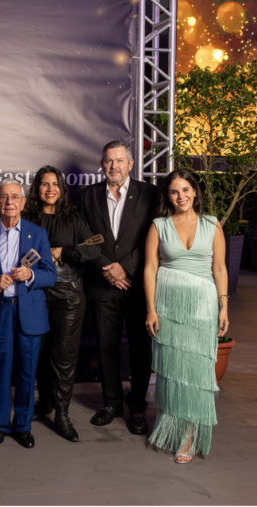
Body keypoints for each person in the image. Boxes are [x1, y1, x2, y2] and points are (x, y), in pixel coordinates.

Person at [144, 170, 228, 464]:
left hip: (203, 305)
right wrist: (151, 309)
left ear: (195, 191)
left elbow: (220, 268)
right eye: (174, 191)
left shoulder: (212, 224)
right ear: (168, 196)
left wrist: (223, 306)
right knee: (172, 369)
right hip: (168, 306)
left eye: (185, 189)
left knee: (196, 370)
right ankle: (172, 425)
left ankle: (189, 434)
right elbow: (150, 269)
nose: (181, 196)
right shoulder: (159, 225)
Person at [0, 178, 57, 448]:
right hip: (0, 312)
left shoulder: (37, 233)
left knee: (27, 372)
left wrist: (30, 275)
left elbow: (50, 275)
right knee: (0, 370)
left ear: (23, 203)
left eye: (15, 197)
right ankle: (1, 425)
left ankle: (23, 426)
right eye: (4, 197)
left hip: (29, 313)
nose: (9, 202)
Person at [78, 141, 160, 435]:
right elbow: (84, 236)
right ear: (102, 164)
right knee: (106, 347)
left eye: (119, 160)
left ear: (130, 163)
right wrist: (107, 268)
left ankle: (137, 406)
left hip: (137, 284)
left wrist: (125, 267)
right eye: (108, 161)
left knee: (140, 348)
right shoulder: (87, 195)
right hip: (103, 284)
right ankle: (111, 402)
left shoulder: (150, 193)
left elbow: (153, 236)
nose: (113, 166)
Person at [23, 166, 101, 442]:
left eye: (55, 184)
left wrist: (64, 251)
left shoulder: (74, 217)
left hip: (68, 294)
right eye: (44, 184)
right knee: (39, 353)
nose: (50, 189)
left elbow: (94, 248)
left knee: (63, 357)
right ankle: (44, 402)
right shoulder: (26, 217)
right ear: (37, 188)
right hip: (34, 293)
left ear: (62, 188)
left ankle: (62, 413)